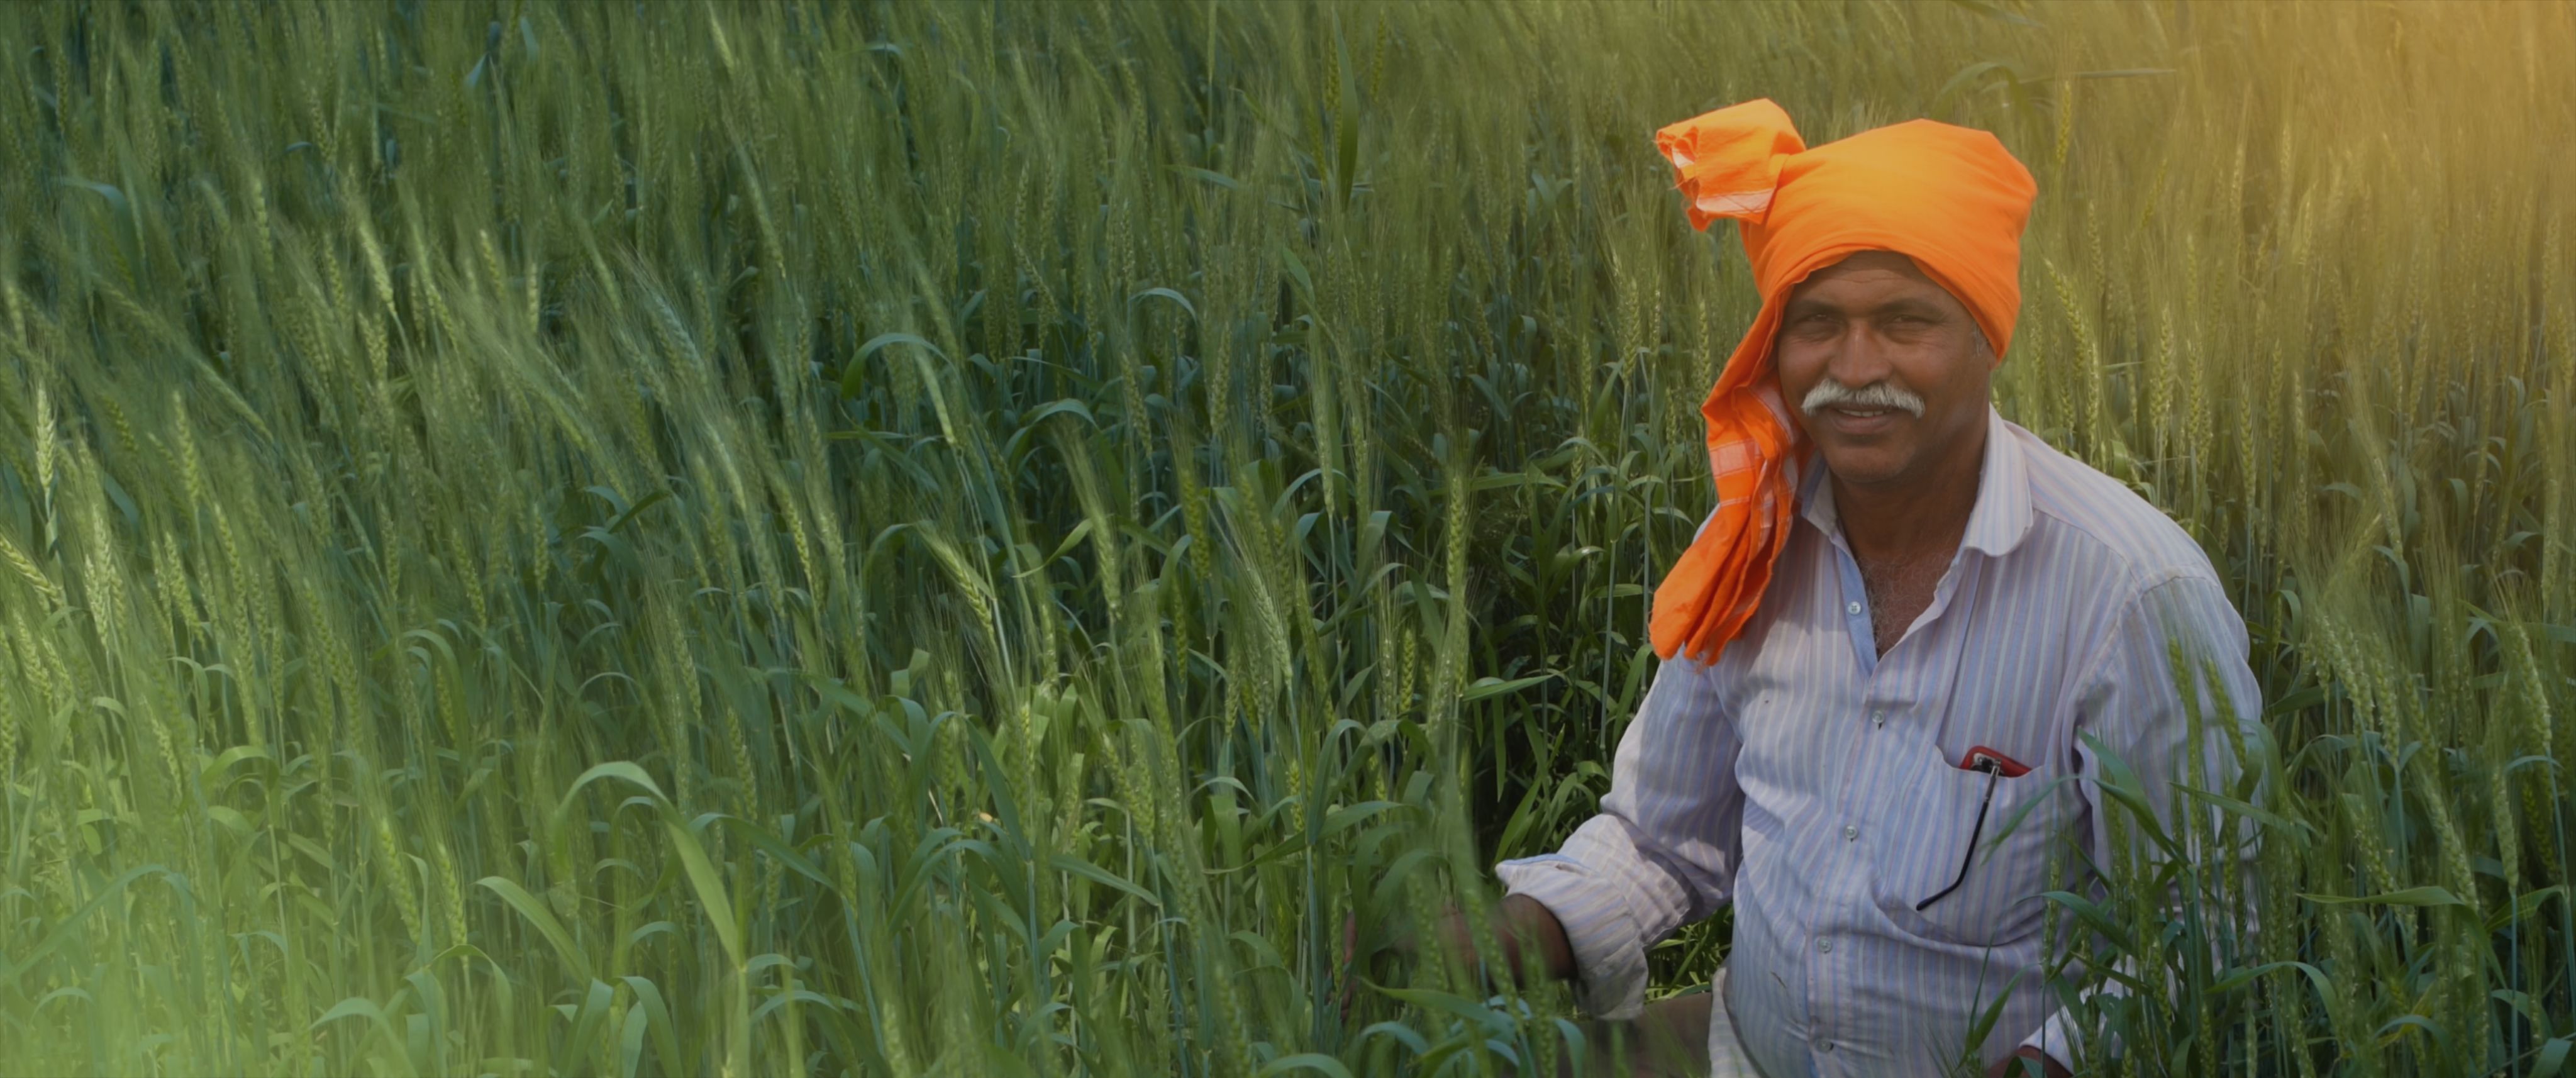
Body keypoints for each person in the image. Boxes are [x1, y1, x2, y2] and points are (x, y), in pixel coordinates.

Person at [1419, 99, 2265, 1077]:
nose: (1856, 368)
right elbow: (1661, 837)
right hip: (1743, 1052)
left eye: (1906, 321)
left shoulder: (2131, 593)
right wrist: (1496, 938)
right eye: (1817, 323)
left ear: (1987, 336)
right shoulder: (1753, 541)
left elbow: (2201, 934)